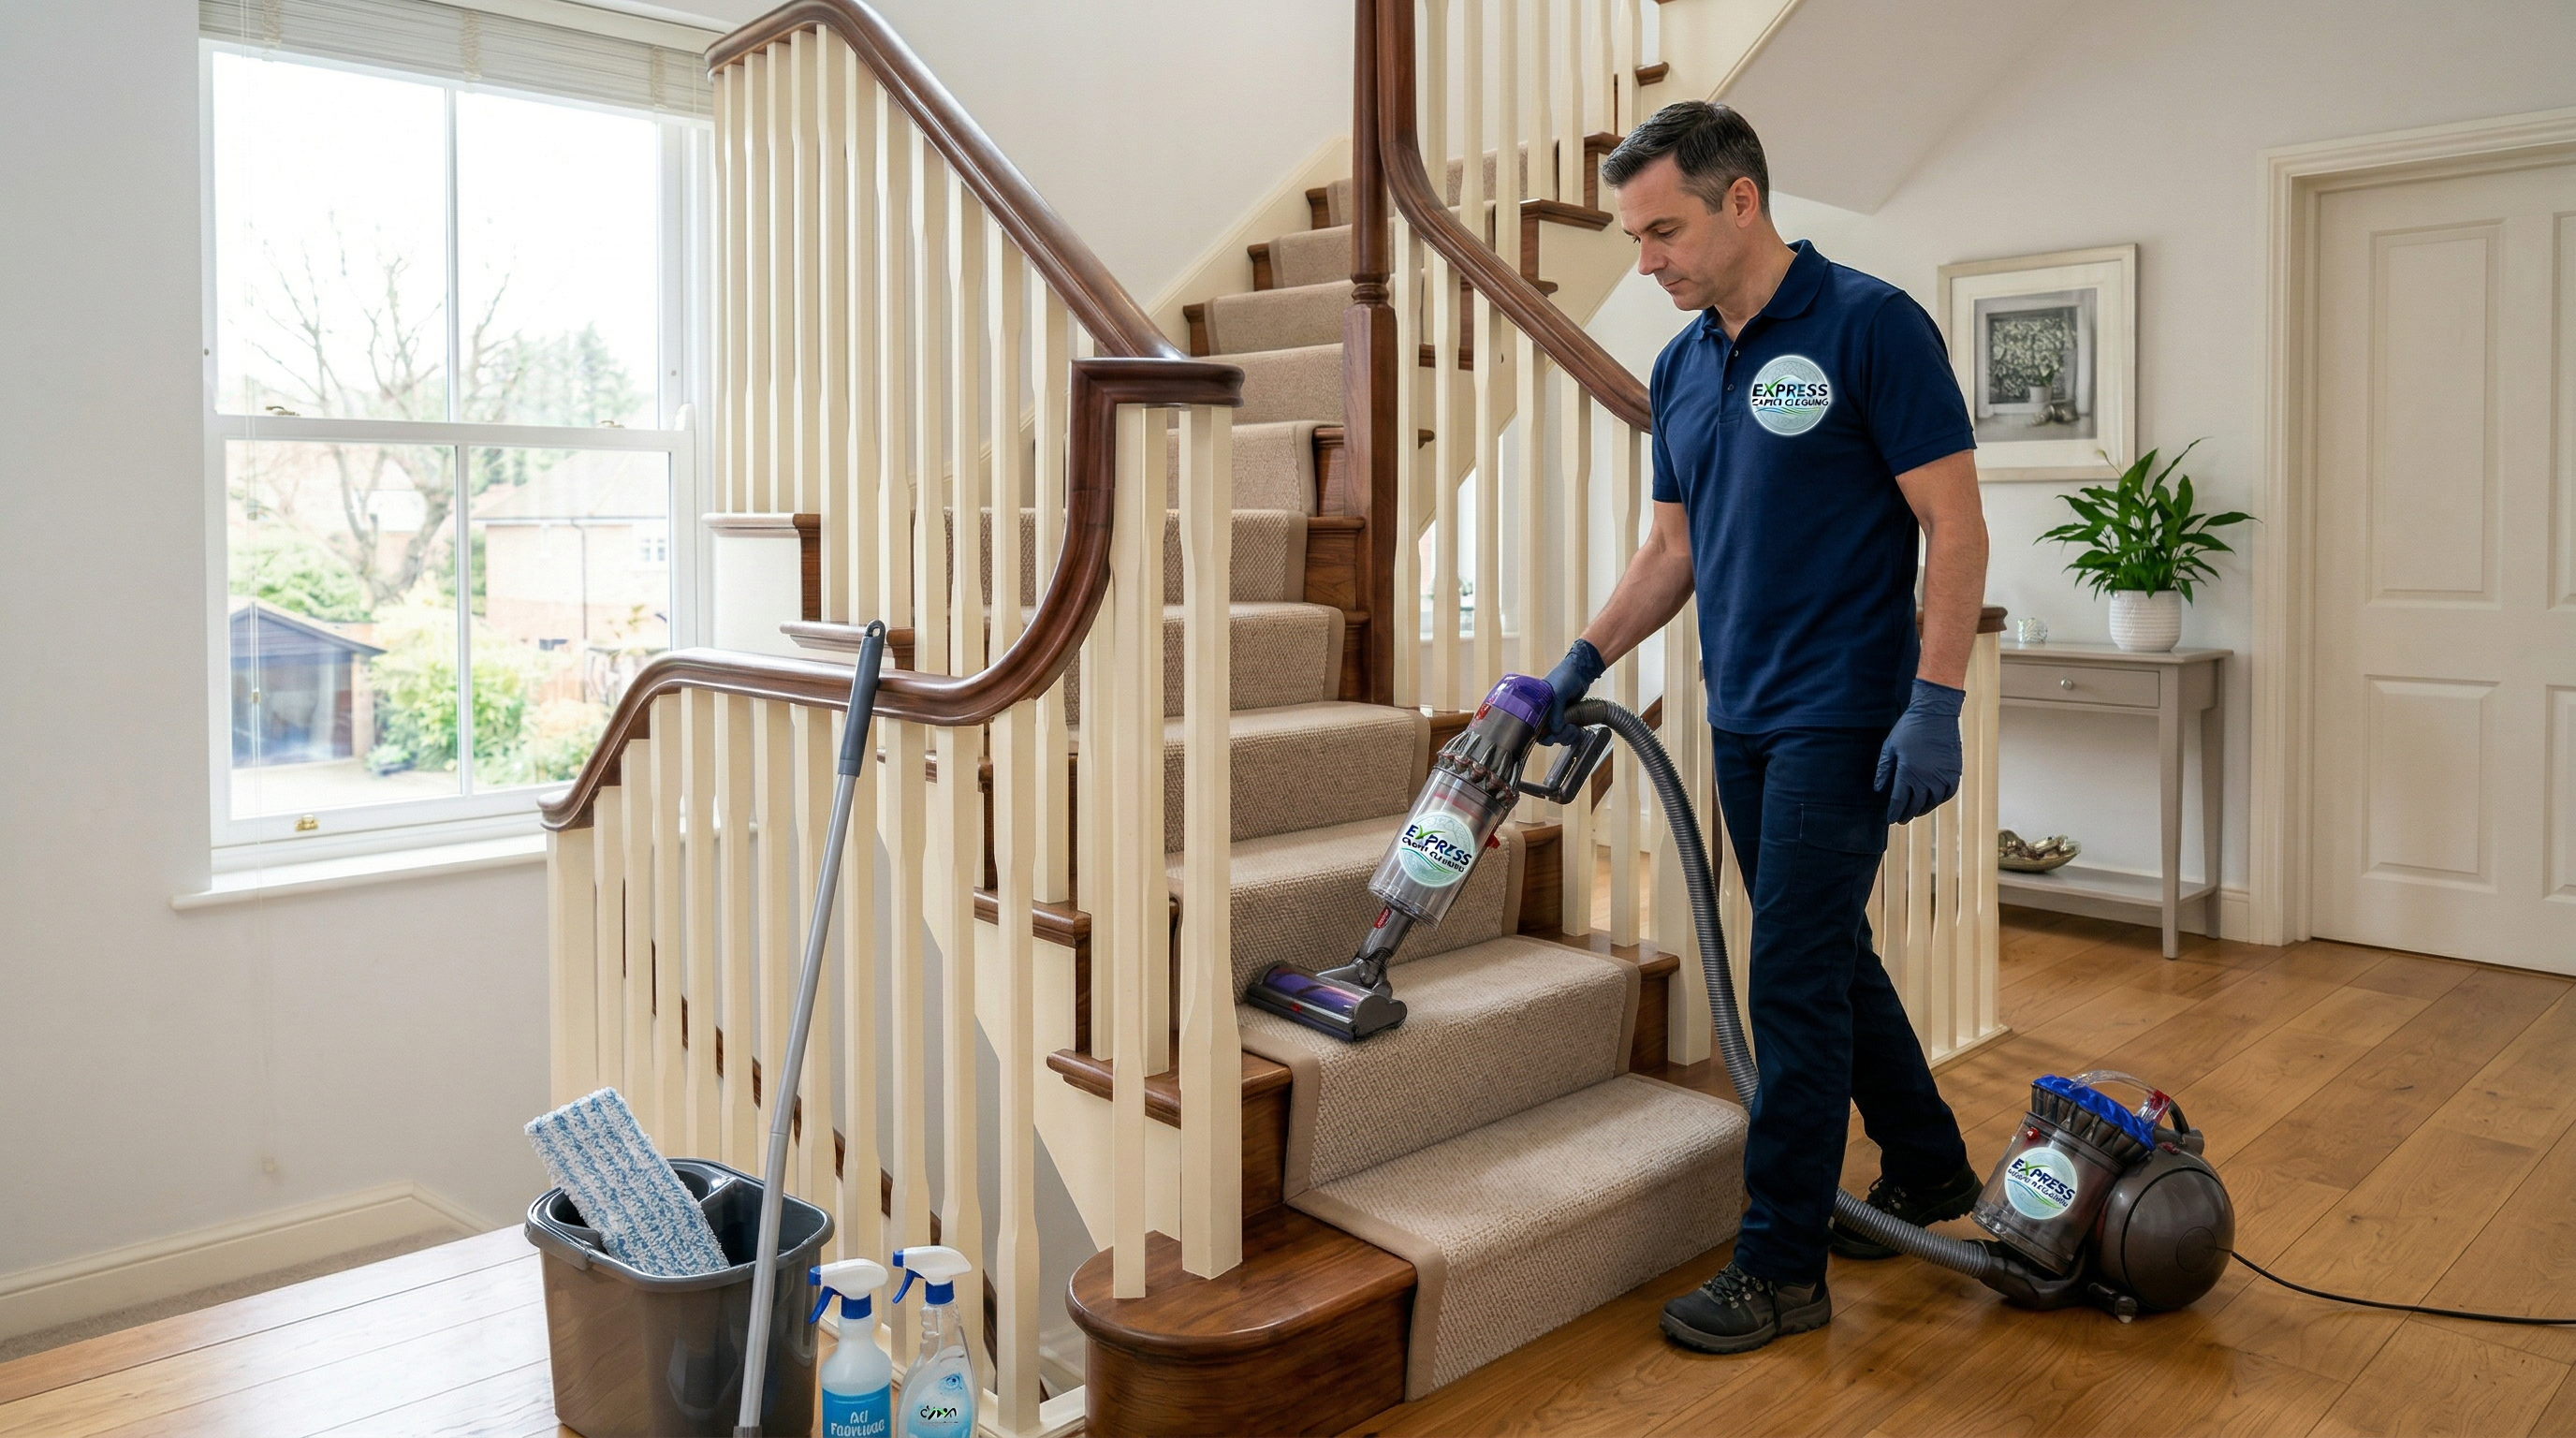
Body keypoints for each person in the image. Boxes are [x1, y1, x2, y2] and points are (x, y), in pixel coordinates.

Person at [1541, 100, 1989, 1355]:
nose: (1646, 262)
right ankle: (1932, 1167)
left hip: (1844, 713)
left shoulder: (1870, 327)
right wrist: (1573, 663)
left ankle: (1781, 1264)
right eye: (1635, 237)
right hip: (1737, 713)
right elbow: (1670, 553)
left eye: (1664, 230)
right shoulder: (1684, 366)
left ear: (1742, 201)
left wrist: (1936, 701)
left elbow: (1953, 525)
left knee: (1787, 980)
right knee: (1826, 950)